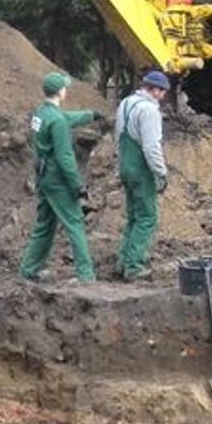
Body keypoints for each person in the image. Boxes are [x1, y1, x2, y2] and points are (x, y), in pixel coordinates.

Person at [18, 70, 105, 283]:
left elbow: (66, 118)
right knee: (75, 223)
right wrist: (77, 185)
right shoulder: (57, 121)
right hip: (57, 178)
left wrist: (91, 115)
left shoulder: (41, 113)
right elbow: (65, 157)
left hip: (43, 176)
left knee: (45, 224)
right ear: (60, 92)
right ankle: (86, 275)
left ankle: (28, 269)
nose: (67, 90)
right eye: (65, 87)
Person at [115, 69, 170, 281]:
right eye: (162, 91)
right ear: (154, 90)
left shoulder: (126, 103)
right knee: (147, 217)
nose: (163, 96)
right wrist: (161, 172)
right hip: (141, 169)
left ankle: (123, 261)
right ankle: (134, 266)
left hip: (125, 165)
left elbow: (117, 135)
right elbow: (151, 147)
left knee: (133, 217)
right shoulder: (149, 111)